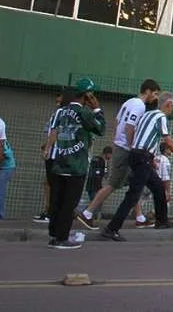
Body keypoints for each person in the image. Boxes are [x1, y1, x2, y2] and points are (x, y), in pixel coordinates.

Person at [98, 91, 173, 242]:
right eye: (172, 106)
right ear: (169, 105)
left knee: (158, 187)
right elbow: (167, 140)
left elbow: (143, 135)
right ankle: (112, 228)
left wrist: (152, 158)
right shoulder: (161, 117)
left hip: (138, 155)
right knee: (133, 195)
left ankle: (162, 220)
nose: (172, 109)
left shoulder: (147, 114)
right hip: (143, 157)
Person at [76, 79, 161, 229]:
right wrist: (133, 146)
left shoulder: (128, 102)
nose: (155, 97)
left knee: (136, 183)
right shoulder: (139, 105)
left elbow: (118, 121)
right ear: (147, 91)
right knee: (113, 184)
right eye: (154, 93)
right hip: (126, 149)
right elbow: (130, 127)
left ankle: (140, 217)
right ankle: (87, 213)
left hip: (121, 146)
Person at [45, 80, 106, 248]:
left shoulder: (61, 112)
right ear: (87, 95)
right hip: (76, 166)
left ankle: (54, 234)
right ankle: (62, 238)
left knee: (57, 201)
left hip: (59, 163)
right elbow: (100, 129)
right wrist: (97, 110)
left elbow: (54, 131)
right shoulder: (83, 112)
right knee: (69, 203)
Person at [34, 94, 63, 223]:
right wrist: (46, 145)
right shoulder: (57, 114)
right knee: (48, 183)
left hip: (56, 154)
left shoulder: (60, 114)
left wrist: (47, 148)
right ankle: (49, 209)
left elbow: (55, 132)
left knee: (53, 183)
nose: (57, 104)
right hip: (54, 152)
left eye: (59, 101)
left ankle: (52, 212)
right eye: (56, 101)